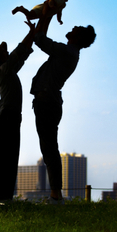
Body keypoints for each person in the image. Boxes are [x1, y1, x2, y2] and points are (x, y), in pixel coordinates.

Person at [30, 24, 96, 204]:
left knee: (49, 148)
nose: (73, 26)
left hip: (47, 101)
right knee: (49, 147)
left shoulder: (67, 52)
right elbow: (44, 41)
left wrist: (38, 27)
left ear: (78, 37)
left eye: (78, 28)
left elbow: (43, 42)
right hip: (48, 101)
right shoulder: (69, 52)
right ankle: (55, 194)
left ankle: (56, 195)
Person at [0, 20, 35, 204]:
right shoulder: (3, 71)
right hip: (7, 118)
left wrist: (33, 34)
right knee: (4, 159)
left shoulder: (9, 71)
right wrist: (31, 33)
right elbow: (18, 53)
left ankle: (3, 197)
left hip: (10, 118)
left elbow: (21, 56)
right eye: (2, 51)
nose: (6, 52)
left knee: (8, 158)